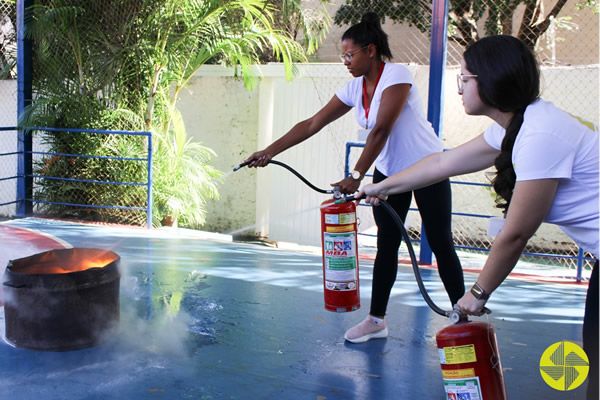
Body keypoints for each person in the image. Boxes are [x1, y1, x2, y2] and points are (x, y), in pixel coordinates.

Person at [356, 35, 599, 399]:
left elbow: (516, 233)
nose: (459, 90)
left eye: (464, 79)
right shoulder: (515, 126)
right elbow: (443, 162)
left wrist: (478, 292)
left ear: (491, 80)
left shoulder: (540, 134)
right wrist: (383, 186)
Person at [244, 12, 465, 343]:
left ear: (371, 50)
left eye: (350, 54)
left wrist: (356, 174)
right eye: (343, 55)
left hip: (428, 166)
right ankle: (377, 321)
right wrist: (270, 151)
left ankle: (464, 319)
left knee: (439, 240)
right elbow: (312, 123)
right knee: (386, 246)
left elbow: (381, 129)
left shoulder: (398, 75)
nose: (345, 61)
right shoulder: (353, 88)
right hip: (389, 173)